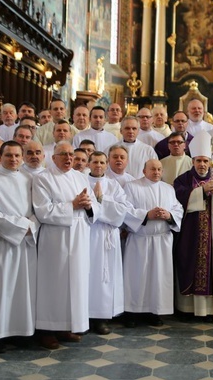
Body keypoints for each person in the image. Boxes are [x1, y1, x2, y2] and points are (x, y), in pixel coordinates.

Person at [33, 142, 100, 349]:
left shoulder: (80, 177)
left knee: (76, 283)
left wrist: (89, 206)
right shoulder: (43, 178)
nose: (69, 158)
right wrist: (72, 205)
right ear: (53, 158)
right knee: (54, 283)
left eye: (71, 154)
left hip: (79, 234)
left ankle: (66, 326)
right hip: (56, 237)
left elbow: (94, 205)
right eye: (63, 154)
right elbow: (42, 210)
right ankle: (47, 329)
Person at [0, 141, 38, 353]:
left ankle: (21, 332)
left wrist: (30, 225)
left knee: (23, 289)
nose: (13, 159)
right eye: (8, 155)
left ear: (22, 157)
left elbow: (37, 209)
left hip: (26, 241)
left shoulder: (28, 179)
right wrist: (23, 226)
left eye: (16, 156)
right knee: (0, 288)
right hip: (1, 241)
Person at [174, 131, 213, 320]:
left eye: (205, 161)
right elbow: (178, 197)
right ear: (192, 161)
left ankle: (210, 311)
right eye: (198, 161)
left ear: (210, 162)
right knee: (188, 264)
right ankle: (187, 309)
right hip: (190, 234)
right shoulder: (183, 179)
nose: (202, 165)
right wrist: (201, 191)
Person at [122, 160, 184, 326]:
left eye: (159, 169)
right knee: (136, 277)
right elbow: (126, 209)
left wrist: (169, 215)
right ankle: (132, 313)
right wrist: (146, 215)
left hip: (161, 240)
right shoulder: (132, 186)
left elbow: (178, 209)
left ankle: (154, 312)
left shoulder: (168, 189)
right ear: (144, 170)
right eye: (152, 169)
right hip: (139, 239)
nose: (156, 172)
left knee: (159, 277)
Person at [87, 151, 129, 335]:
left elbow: (121, 212)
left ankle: (101, 317)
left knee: (105, 277)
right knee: (88, 276)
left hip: (107, 237)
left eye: (102, 162)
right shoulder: (80, 182)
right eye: (95, 161)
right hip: (88, 236)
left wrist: (100, 201)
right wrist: (96, 205)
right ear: (89, 163)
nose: (98, 165)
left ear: (106, 165)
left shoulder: (114, 185)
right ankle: (85, 317)